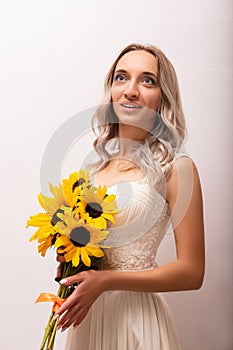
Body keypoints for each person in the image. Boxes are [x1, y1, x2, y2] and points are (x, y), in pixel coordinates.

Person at [54, 43, 205, 350]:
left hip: (139, 322)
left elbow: (192, 272)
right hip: (91, 320)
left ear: (163, 97)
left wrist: (107, 281)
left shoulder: (177, 168)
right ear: (111, 90)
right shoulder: (94, 173)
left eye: (147, 80)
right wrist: (72, 261)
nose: (131, 90)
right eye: (121, 77)